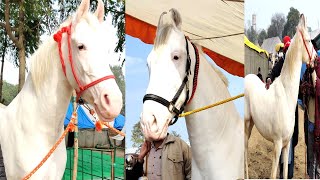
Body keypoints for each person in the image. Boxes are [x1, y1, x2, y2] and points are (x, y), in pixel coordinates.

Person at [126, 133, 192, 180]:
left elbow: (192, 174)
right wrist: (140, 158)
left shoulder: (180, 145)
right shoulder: (144, 148)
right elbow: (132, 176)